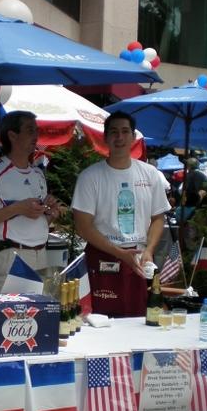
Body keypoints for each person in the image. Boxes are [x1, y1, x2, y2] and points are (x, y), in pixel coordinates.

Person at [71, 110, 170, 317]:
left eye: (125, 132)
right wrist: (119, 253)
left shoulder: (150, 174)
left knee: (140, 317)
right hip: (102, 256)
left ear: (133, 137)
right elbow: (83, 226)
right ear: (105, 137)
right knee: (100, 319)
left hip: (139, 258)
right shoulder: (90, 177)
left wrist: (150, 250)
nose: (120, 137)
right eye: (114, 132)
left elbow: (158, 217)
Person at [0, 111, 59, 294]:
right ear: (12, 135)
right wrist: (18, 208)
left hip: (41, 254)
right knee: (5, 320)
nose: (36, 135)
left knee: (38, 320)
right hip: (9, 256)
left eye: (36, 130)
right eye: (30, 130)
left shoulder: (38, 175)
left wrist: (48, 215)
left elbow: (32, 224)